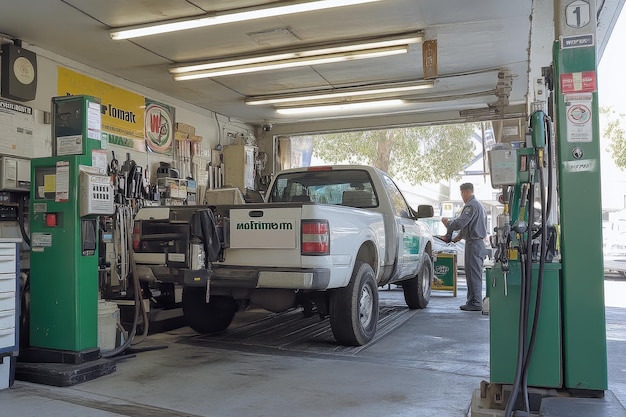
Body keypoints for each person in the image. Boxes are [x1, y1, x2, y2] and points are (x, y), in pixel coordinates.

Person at [440, 183, 488, 311]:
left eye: (461, 193)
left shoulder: (471, 205)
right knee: (472, 273)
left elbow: (461, 222)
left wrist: (448, 223)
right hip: (474, 242)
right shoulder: (478, 205)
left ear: (466, 192)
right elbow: (468, 224)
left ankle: (475, 303)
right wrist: (458, 237)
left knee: (473, 274)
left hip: (474, 244)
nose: (461, 197)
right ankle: (472, 301)